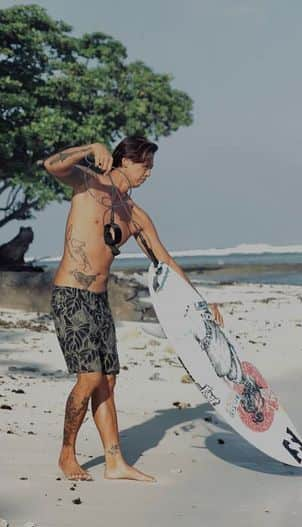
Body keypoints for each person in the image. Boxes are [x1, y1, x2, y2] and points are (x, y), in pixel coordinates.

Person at [43, 136, 222, 482]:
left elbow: (165, 261)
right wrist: (89, 148)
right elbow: (52, 166)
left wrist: (201, 304)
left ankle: (115, 463)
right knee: (90, 377)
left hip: (98, 300)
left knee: (107, 381)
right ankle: (67, 453)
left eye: (151, 167)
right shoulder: (87, 182)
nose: (149, 174)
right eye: (145, 165)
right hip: (70, 293)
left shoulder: (134, 215)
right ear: (126, 161)